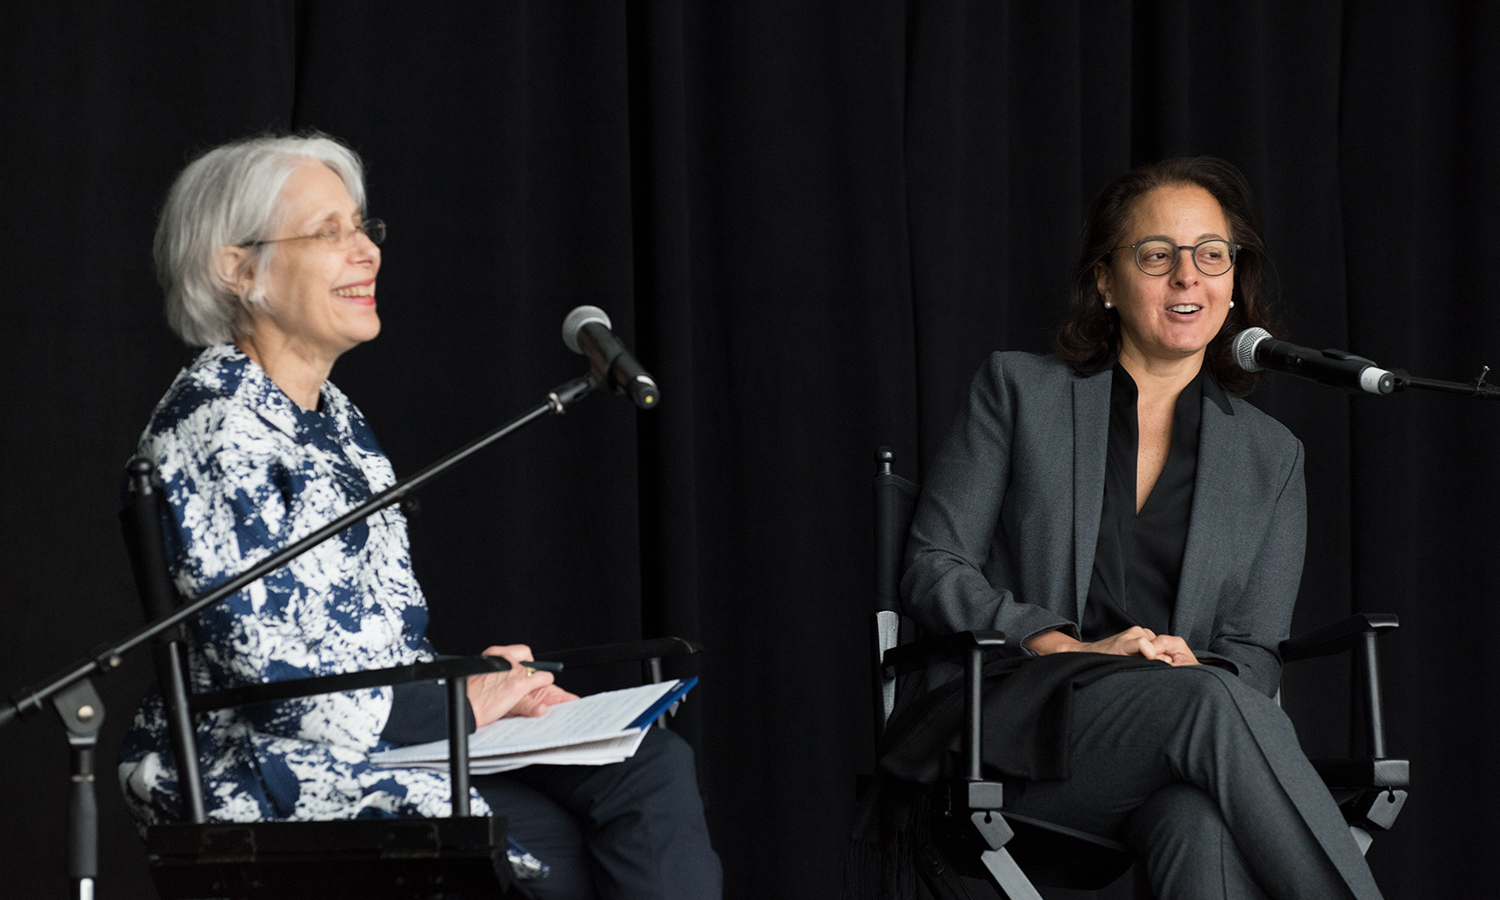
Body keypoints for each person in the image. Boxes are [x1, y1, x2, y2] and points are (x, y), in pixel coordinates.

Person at [117, 133, 721, 900]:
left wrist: (494, 684)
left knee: (651, 767)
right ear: (237, 269)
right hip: (269, 766)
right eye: (329, 232)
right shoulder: (214, 428)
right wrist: (461, 700)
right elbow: (280, 683)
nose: (365, 251)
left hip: (389, 741)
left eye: (363, 227)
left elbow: (384, 639)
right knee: (557, 857)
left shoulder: (336, 418)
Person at [885, 157, 1382, 899]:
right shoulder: (1019, 391)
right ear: (1105, 282)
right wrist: (1066, 642)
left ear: (1234, 281)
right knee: (1212, 707)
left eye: (1212, 255)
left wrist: (1192, 669)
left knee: (1199, 822)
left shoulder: (1272, 458)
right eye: (1158, 256)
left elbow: (1253, 653)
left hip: (1174, 748)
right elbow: (932, 564)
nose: (1189, 277)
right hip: (1011, 734)